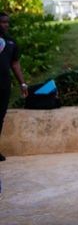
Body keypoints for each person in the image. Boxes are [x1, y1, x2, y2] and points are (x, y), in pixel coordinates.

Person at [0, 13, 28, 162]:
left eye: (7, 22)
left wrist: (22, 83)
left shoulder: (11, 42)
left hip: (3, 85)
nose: (5, 25)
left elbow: (15, 64)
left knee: (0, 118)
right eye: (2, 22)